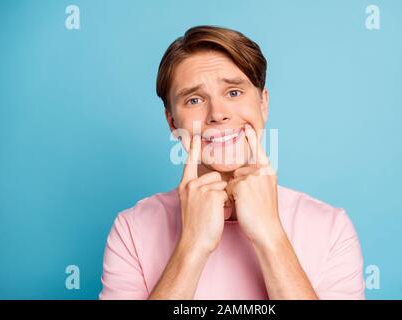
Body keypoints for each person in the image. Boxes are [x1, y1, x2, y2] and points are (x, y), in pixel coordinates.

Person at [99, 25, 365, 300]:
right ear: (172, 122)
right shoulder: (131, 229)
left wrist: (270, 235)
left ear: (263, 104)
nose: (218, 114)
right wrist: (192, 245)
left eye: (234, 93)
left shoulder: (331, 228)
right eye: (194, 100)